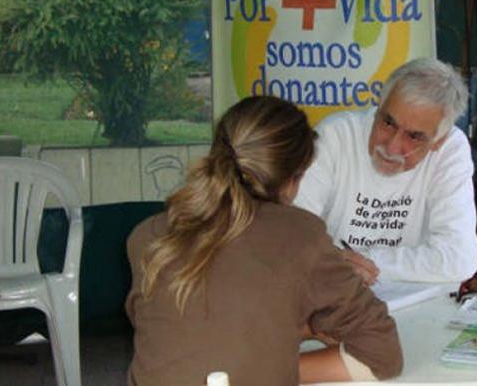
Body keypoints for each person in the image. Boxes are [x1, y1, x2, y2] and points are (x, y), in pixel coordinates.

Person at [126, 96, 402, 386]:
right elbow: (383, 354)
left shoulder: (147, 235)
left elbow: (183, 330)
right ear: (295, 178)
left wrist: (295, 330)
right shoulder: (300, 234)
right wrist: (282, 364)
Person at [293, 58, 477, 284]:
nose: (391, 147)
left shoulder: (451, 149)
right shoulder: (335, 135)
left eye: (414, 136)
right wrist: (337, 264)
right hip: (331, 293)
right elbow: (293, 236)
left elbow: (459, 258)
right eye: (388, 123)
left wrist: (353, 262)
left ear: (437, 142)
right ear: (378, 107)